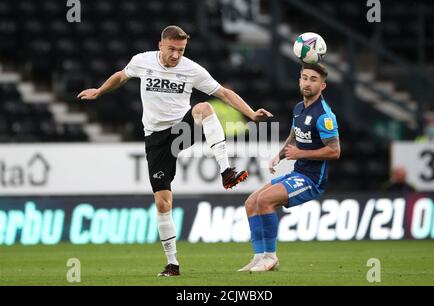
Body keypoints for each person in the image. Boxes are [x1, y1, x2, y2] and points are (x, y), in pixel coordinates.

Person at [77, 25, 273, 276]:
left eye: (180, 50)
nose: (176, 55)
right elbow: (121, 75)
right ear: (160, 45)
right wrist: (99, 91)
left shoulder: (191, 69)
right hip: (156, 138)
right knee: (162, 203)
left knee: (204, 107)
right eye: (171, 49)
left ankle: (226, 171)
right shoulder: (142, 61)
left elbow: (223, 93)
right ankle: (173, 264)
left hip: (181, 130)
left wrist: (250, 113)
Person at [238, 63, 340, 272]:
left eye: (313, 79)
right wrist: (280, 155)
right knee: (251, 202)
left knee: (264, 200)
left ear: (323, 85)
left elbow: (334, 151)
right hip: (298, 172)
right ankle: (259, 257)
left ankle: (270, 257)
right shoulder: (298, 108)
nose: (307, 83)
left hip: (312, 179)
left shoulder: (324, 115)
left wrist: (300, 153)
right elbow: (294, 136)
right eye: (304, 78)